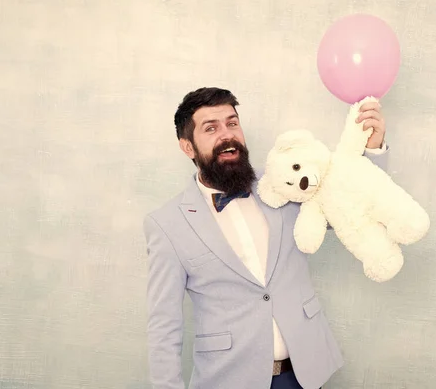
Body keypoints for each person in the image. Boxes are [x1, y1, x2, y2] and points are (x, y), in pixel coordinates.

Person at [143, 87, 389, 389]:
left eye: (232, 123)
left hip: (306, 373)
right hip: (229, 380)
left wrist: (372, 151)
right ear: (188, 147)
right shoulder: (167, 224)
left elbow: (350, 208)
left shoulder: (283, 179)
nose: (227, 135)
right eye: (211, 128)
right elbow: (164, 327)